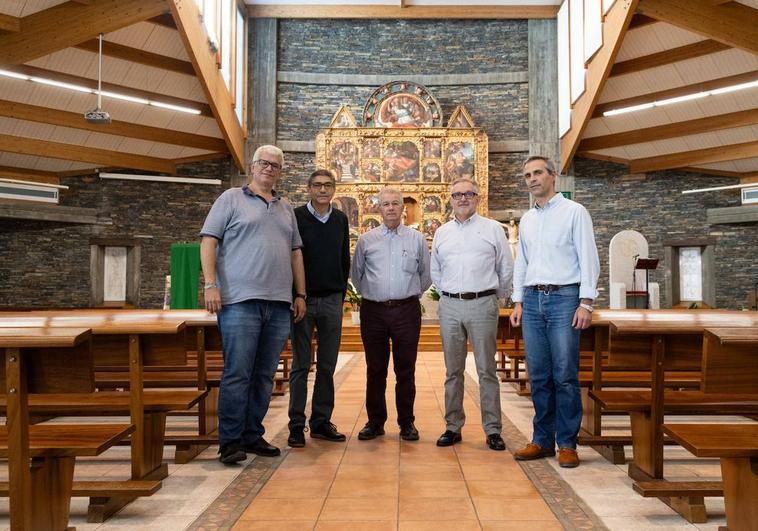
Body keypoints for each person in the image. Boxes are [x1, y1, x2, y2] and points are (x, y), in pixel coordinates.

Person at [200, 145, 306, 464]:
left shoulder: (286, 207)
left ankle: (252, 434)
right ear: (252, 165)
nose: (268, 169)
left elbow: (295, 252)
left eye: (275, 165)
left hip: (277, 303)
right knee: (238, 371)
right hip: (239, 301)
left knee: (263, 373)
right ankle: (230, 440)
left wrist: (300, 294)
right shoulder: (231, 199)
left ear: (280, 171)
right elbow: (208, 241)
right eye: (263, 163)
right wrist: (210, 284)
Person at [509, 156, 600, 468]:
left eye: (537, 173)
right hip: (533, 301)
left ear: (552, 177)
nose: (532, 179)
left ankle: (567, 443)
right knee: (539, 374)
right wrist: (518, 300)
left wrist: (586, 302)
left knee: (564, 374)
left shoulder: (574, 212)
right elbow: (523, 261)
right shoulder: (528, 219)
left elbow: (589, 256)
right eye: (527, 176)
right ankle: (542, 439)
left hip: (564, 298)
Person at [431, 177, 512, 451]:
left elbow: (505, 267)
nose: (463, 198)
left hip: (483, 303)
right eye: (457, 195)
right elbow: (436, 270)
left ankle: (493, 430)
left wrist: (496, 297)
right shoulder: (442, 232)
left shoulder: (492, 229)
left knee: (486, 370)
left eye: (468, 194)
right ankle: (453, 426)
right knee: (453, 371)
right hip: (451, 305)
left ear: (477, 198)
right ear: (451, 200)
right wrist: (449, 294)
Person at [351, 187, 432, 441]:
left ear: (403, 208)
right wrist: (375, 294)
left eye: (395, 203)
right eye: (385, 204)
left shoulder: (416, 239)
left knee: (405, 369)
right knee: (375, 369)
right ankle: (375, 422)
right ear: (379, 207)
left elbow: (426, 275)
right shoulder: (367, 240)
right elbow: (357, 274)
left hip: (406, 310)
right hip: (373, 311)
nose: (391, 208)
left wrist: (406, 294)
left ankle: (407, 422)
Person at [287, 169, 350, 447]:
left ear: (334, 189)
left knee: (327, 365)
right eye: (317, 185)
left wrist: (341, 292)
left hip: (332, 300)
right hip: (303, 300)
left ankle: (321, 422)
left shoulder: (340, 219)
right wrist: (296, 294)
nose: (323, 190)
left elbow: (343, 258)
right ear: (309, 188)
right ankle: (296, 426)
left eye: (328, 185)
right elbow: (290, 255)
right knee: (301, 365)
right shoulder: (296, 217)